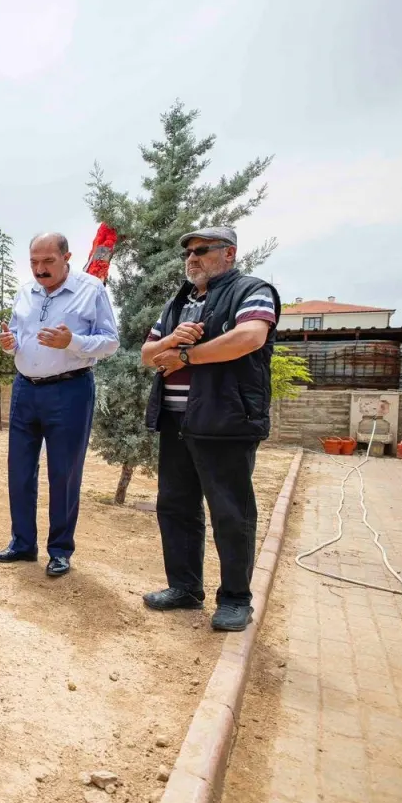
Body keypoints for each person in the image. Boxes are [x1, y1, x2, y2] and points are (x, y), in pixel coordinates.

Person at [140, 227, 280, 632]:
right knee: (176, 507)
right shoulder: (178, 302)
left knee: (231, 514)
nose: (192, 258)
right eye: (188, 252)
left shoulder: (251, 290)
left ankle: (236, 598)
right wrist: (171, 343)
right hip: (175, 420)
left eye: (202, 250)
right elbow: (149, 355)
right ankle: (185, 588)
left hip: (226, 421)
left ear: (229, 254)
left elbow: (248, 338)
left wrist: (185, 355)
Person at [0, 233, 118, 576]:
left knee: (64, 473)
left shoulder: (91, 289)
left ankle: (59, 550)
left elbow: (110, 342)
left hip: (69, 391)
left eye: (48, 262)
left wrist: (72, 341)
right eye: (34, 262)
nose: (40, 270)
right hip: (25, 390)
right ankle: (22, 543)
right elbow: (17, 335)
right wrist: (9, 343)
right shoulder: (24, 292)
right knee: (19, 470)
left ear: (66, 257)